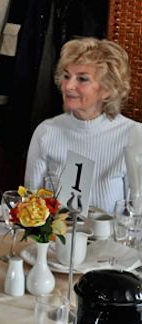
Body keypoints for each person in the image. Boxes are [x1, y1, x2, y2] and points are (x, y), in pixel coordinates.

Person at [25, 38, 142, 213]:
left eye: (82, 79)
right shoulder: (46, 132)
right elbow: (30, 206)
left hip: (113, 239)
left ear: (107, 89)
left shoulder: (134, 135)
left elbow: (138, 216)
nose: (69, 86)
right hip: (55, 239)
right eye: (66, 76)